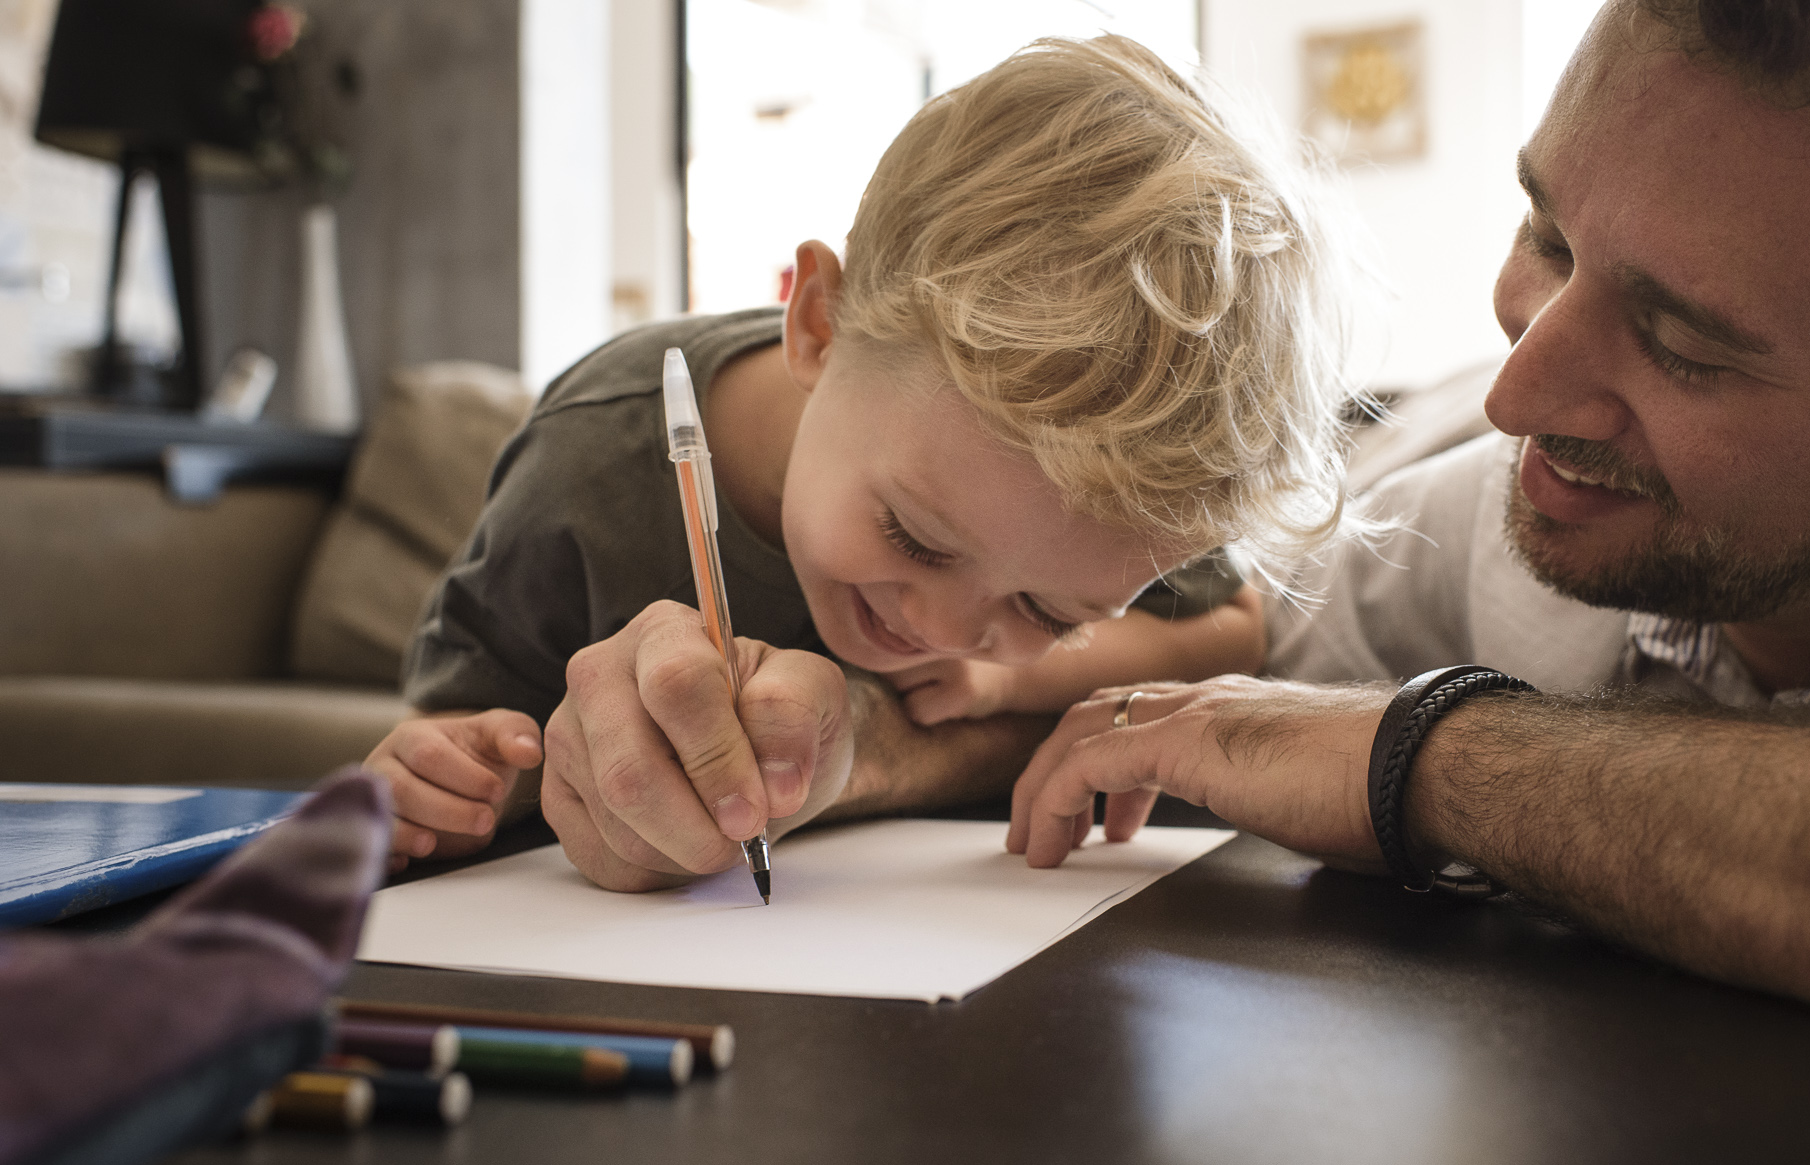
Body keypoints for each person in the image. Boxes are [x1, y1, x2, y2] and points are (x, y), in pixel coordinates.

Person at [1010, 2, 1810, 1165]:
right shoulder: (1524, 493)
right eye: (1549, 239)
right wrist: (850, 736)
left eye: (1683, 344)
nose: (1522, 390)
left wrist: (1435, 755)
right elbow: (1194, 671)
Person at [363, 36, 1360, 890]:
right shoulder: (591, 463)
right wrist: (448, 773)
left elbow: (1230, 627)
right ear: (817, 323)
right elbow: (465, 731)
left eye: (1049, 614)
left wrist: (1010, 683)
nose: (946, 629)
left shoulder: (1119, 473)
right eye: (914, 538)